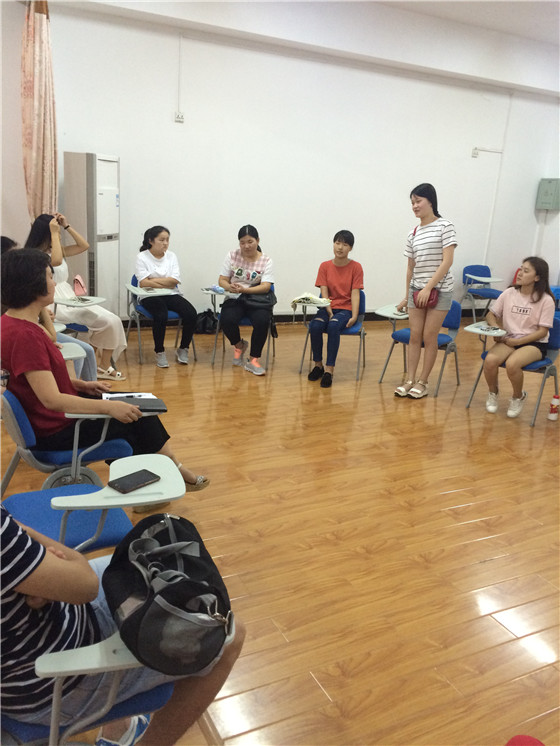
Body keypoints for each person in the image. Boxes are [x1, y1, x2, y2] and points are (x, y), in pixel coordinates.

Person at [0, 504, 245, 746]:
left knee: (138, 564)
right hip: (50, 686)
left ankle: (119, 726)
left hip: (38, 641)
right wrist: (36, 551)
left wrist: (27, 566)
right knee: (230, 637)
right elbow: (86, 585)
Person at [1, 248, 209, 493]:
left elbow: (33, 381)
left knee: (139, 408)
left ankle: (158, 478)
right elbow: (51, 400)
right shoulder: (26, 336)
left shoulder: (11, 323)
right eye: (49, 276)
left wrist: (80, 385)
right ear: (32, 284)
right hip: (57, 429)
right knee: (139, 417)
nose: (54, 283)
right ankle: (168, 473)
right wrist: (109, 408)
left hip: (50, 419)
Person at [25, 213, 127, 381]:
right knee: (100, 321)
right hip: (53, 300)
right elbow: (56, 261)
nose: (58, 236)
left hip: (69, 296)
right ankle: (90, 363)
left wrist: (66, 226)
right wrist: (54, 233)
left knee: (112, 320)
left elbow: (83, 245)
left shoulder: (57, 250)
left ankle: (103, 364)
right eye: (56, 232)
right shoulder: (33, 255)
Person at [2, 235, 98, 382]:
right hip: (33, 337)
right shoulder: (17, 315)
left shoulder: (24, 305)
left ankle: (82, 388)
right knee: (70, 357)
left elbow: (83, 245)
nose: (54, 283)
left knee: (80, 353)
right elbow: (50, 336)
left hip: (38, 328)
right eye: (50, 278)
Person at [395, 183, 456, 399]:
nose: (414, 206)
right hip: (416, 290)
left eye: (418, 201)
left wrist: (428, 288)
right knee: (414, 335)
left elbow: (447, 261)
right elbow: (410, 268)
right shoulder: (413, 233)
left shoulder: (445, 226)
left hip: (440, 290)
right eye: (412, 202)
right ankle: (410, 379)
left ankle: (423, 382)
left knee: (430, 336)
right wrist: (407, 296)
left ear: (431, 201)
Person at [483, 256, 555, 418]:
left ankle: (518, 396)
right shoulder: (509, 293)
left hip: (534, 343)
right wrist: (497, 329)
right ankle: (493, 392)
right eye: (521, 269)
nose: (520, 273)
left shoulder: (546, 300)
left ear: (537, 277)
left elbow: (542, 332)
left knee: (512, 364)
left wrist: (518, 341)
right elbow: (491, 315)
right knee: (490, 360)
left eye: (526, 271)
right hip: (509, 339)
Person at [307, 230, 364, 388]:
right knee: (315, 326)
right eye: (337, 243)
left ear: (350, 248)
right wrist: (328, 309)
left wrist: (354, 316)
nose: (340, 247)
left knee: (333, 326)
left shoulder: (356, 267)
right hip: (327, 307)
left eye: (345, 244)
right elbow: (323, 291)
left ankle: (329, 370)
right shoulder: (324, 266)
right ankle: (318, 365)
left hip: (345, 310)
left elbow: (356, 293)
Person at [136, 226, 198, 368]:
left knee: (191, 313)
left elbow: (174, 281)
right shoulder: (142, 257)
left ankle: (183, 348)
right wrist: (165, 282)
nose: (165, 243)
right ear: (151, 241)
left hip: (170, 293)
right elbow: (143, 283)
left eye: (167, 240)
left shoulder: (171, 256)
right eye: (161, 240)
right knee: (161, 314)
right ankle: (159, 351)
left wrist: (152, 280)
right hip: (149, 295)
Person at [218, 224, 275, 376]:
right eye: (242, 242)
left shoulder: (266, 260)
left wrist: (245, 290)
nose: (246, 246)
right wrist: (229, 286)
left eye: (250, 241)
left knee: (262, 321)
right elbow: (222, 280)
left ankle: (253, 360)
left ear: (258, 240)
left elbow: (266, 287)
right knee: (226, 319)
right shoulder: (232, 255)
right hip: (235, 297)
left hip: (256, 298)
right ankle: (239, 345)